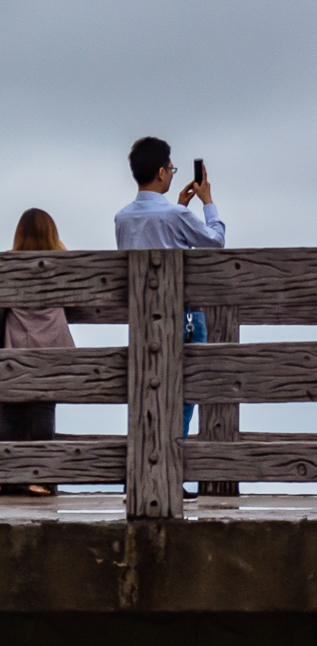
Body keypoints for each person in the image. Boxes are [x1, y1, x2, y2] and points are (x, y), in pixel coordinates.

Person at [114, 137, 225, 437]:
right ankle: (174, 459)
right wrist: (208, 203)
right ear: (162, 172)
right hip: (183, 318)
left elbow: (154, 236)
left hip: (143, 321)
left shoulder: (122, 219)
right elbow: (215, 243)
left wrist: (179, 207)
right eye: (171, 169)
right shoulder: (176, 217)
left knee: (149, 389)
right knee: (184, 391)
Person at [0, 209, 75, 498]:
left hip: (15, 342)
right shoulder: (62, 263)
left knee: (9, 414)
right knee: (43, 410)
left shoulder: (8, 262)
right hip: (52, 345)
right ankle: (41, 480)